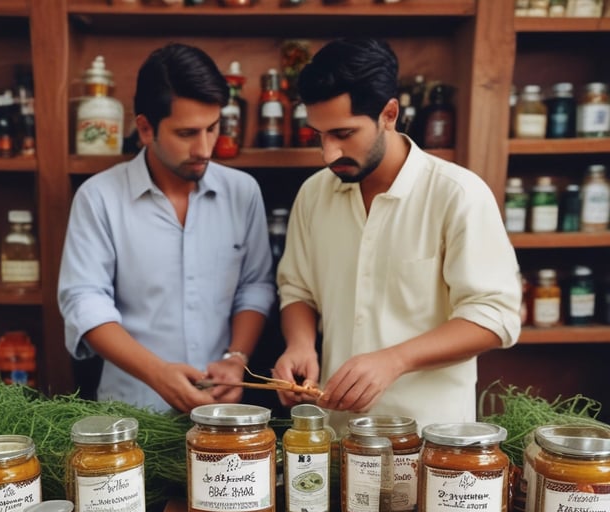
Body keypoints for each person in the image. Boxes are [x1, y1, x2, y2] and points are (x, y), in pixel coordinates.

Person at [273, 37, 522, 433]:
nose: (328, 154)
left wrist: (395, 359)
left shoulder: (456, 194)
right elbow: (298, 289)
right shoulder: (314, 194)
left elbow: (496, 315)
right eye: (318, 134)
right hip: (337, 435)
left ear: (389, 114)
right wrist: (300, 344)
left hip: (433, 444)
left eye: (343, 133)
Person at [58, 43, 275, 413]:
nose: (206, 148)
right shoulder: (99, 198)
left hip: (222, 413)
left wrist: (237, 358)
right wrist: (156, 374)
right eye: (187, 134)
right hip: (132, 413)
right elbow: (84, 302)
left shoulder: (243, 192)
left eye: (213, 128)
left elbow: (255, 285)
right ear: (145, 128)